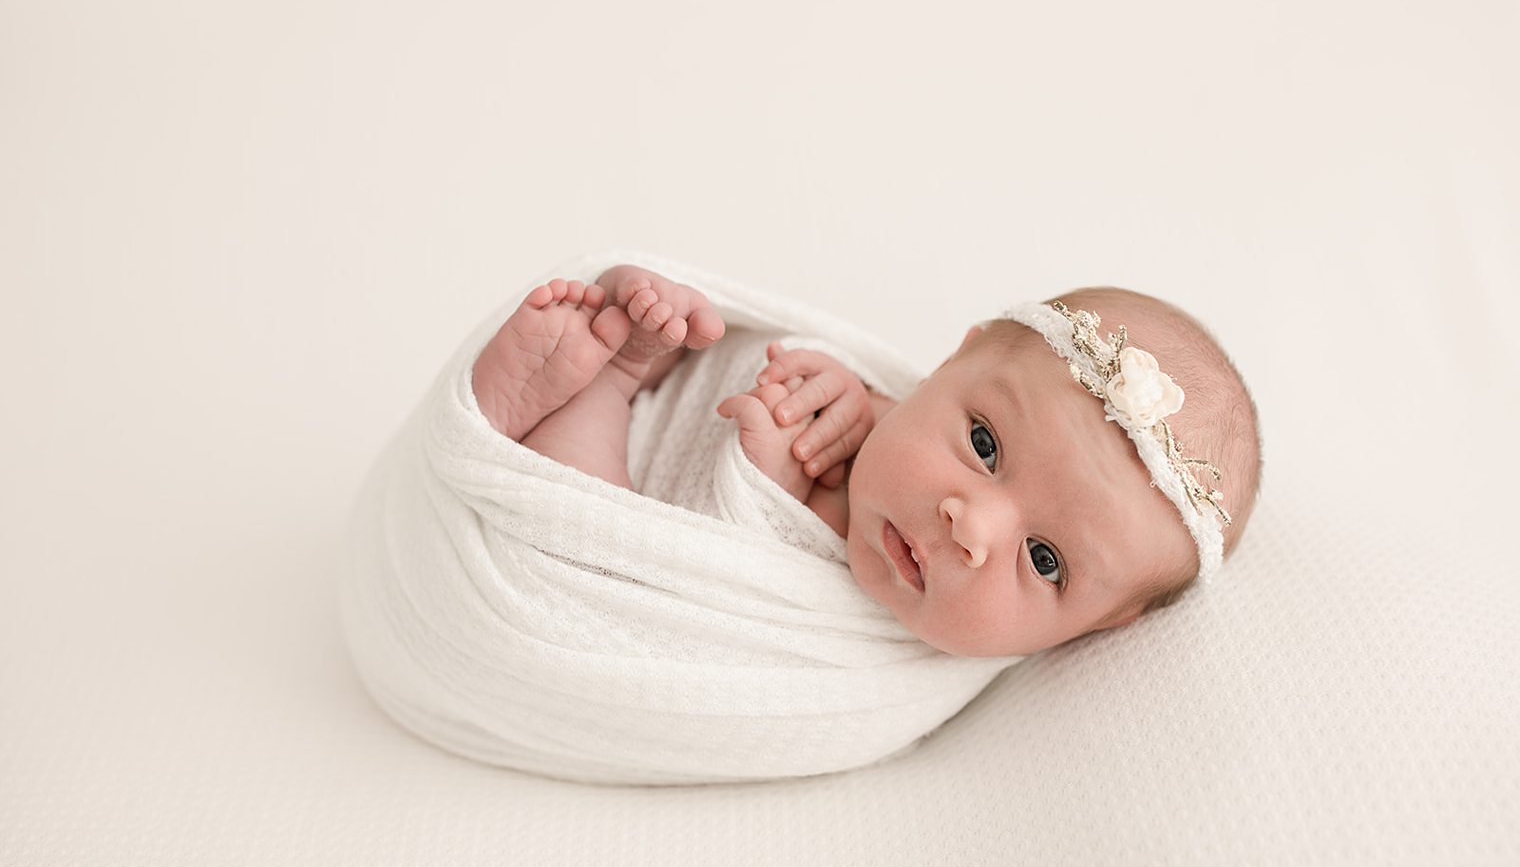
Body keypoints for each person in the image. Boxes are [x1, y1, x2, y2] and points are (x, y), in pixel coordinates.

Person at [471, 263, 1262, 659]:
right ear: (954, 363)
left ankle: (589, 392)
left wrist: (767, 496)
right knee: (702, 342)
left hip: (610, 549)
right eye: (984, 444)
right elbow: (802, 376)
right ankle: (636, 357)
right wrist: (823, 389)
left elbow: (705, 626)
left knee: (594, 545)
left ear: (1091, 630)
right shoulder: (878, 414)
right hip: (668, 429)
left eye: (1045, 560)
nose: (970, 526)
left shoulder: (882, 676)